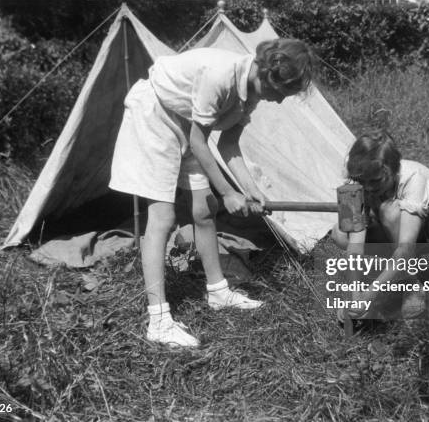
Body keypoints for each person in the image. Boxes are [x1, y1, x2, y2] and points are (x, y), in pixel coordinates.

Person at [109, 39, 315, 347]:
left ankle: (218, 291)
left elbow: (229, 145)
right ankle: (159, 319)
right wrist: (229, 193)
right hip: (156, 116)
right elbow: (200, 143)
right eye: (281, 93)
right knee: (162, 217)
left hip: (188, 124)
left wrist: (250, 190)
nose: (280, 101)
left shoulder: (251, 89)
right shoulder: (220, 76)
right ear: (269, 76)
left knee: (204, 209)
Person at [331, 128, 429, 322]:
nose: (368, 187)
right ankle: (398, 276)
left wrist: (370, 295)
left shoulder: (413, 178)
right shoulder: (357, 171)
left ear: (392, 171)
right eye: (363, 181)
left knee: (390, 211)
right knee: (340, 233)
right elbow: (355, 244)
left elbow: (405, 248)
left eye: (376, 181)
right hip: (394, 221)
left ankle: (410, 283)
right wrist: (355, 298)